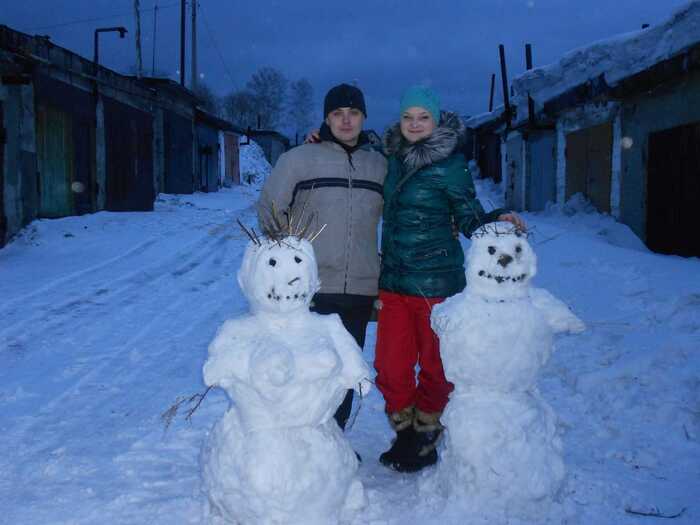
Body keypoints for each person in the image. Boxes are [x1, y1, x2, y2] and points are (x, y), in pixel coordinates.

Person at [375, 85, 525, 472]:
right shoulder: (390, 158)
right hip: (393, 282)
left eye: (423, 116)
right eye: (408, 116)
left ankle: (425, 432)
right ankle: (405, 430)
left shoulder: (450, 165)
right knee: (390, 367)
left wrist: (498, 220)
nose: (415, 123)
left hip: (437, 284)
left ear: (436, 120)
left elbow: (471, 217)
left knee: (437, 366)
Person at [257, 83, 387, 431]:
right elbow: (270, 211)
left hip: (359, 288)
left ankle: (333, 445)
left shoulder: (379, 166)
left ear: (363, 117)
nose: (346, 121)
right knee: (306, 371)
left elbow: (400, 217)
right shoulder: (299, 159)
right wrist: (291, 263)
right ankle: (302, 443)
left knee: (345, 372)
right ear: (326, 117)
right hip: (311, 289)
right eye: (337, 114)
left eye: (353, 113)